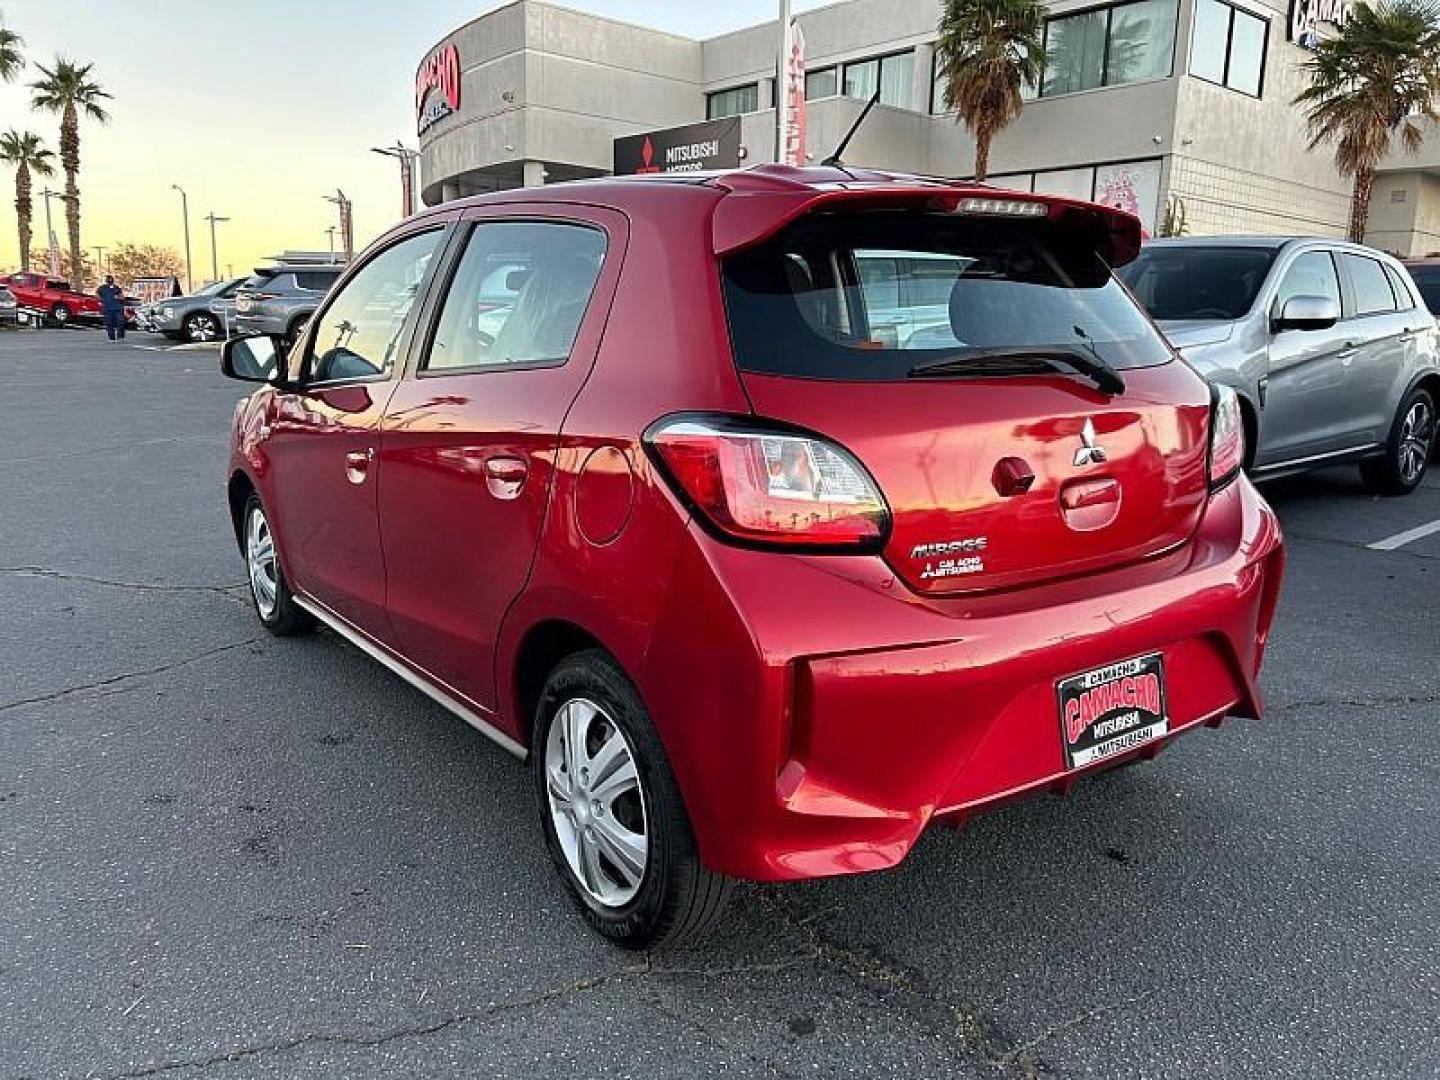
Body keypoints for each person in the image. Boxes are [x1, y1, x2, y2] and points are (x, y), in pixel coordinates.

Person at [97, 275, 125, 341]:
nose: (109, 280)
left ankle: (120, 336)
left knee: (120, 322)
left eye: (110, 279)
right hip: (107, 308)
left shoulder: (116, 288)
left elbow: (122, 297)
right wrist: (102, 300)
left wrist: (118, 298)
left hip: (117, 308)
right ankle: (111, 338)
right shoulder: (102, 288)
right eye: (108, 279)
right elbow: (97, 295)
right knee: (109, 323)